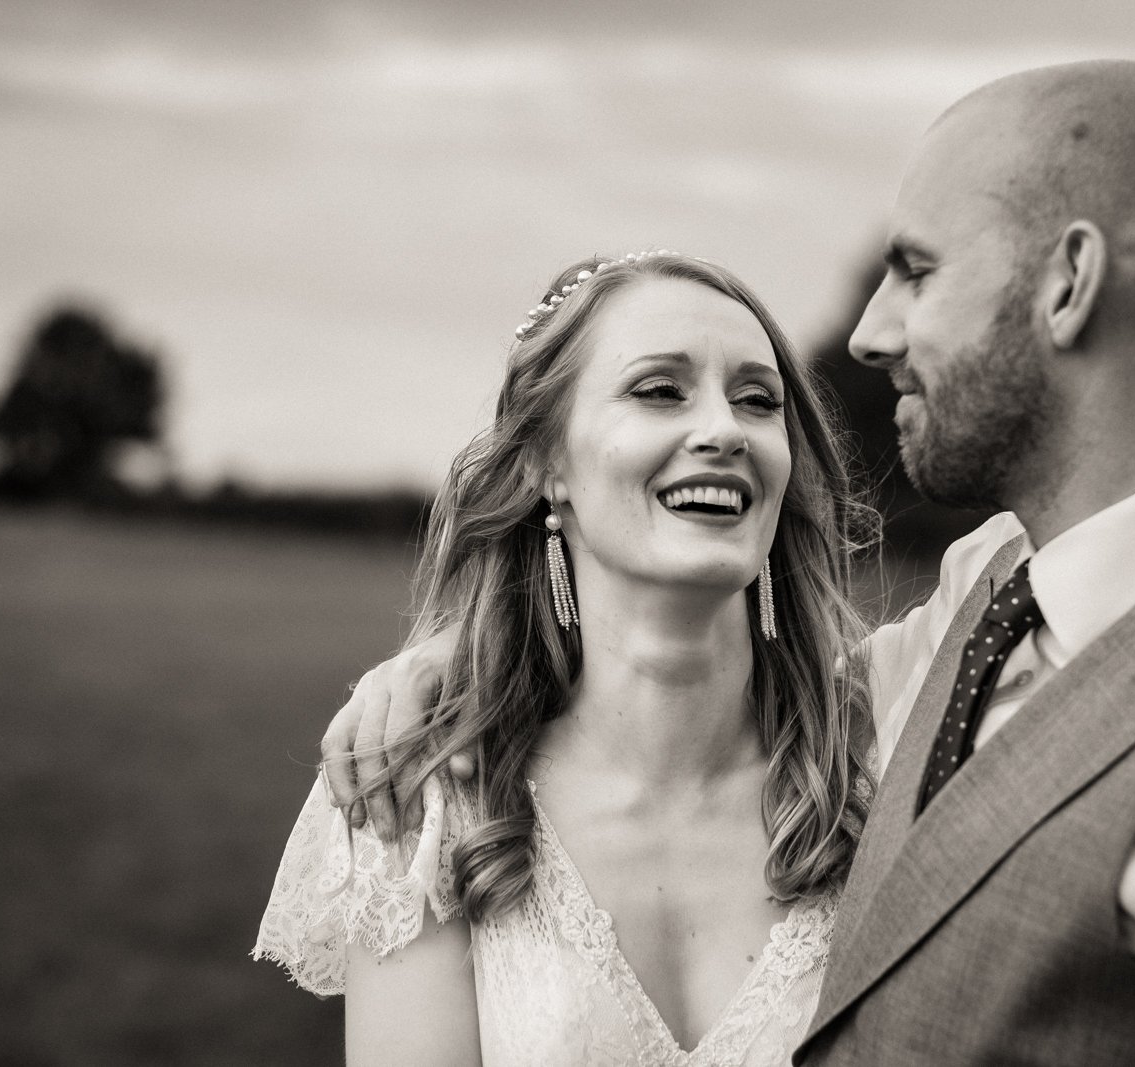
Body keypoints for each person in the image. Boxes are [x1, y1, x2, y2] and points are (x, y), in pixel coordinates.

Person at [316, 60, 1135, 1065]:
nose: (867, 333)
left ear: (1067, 281)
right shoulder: (992, 595)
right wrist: (459, 665)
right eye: (660, 387)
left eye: (915, 268)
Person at [255, 249, 887, 1065]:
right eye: (660, 390)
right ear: (544, 465)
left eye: (758, 401)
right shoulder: (432, 802)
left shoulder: (884, 759)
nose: (725, 430)